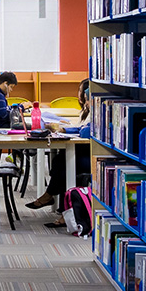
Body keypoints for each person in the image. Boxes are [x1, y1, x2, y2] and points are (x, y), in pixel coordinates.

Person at [26, 78, 93, 212]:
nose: (85, 102)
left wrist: (66, 129)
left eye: (87, 99)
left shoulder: (97, 113)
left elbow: (85, 131)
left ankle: (52, 198)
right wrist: (65, 129)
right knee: (60, 160)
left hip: (92, 157)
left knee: (63, 163)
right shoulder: (86, 113)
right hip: (84, 152)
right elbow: (81, 128)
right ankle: (60, 205)